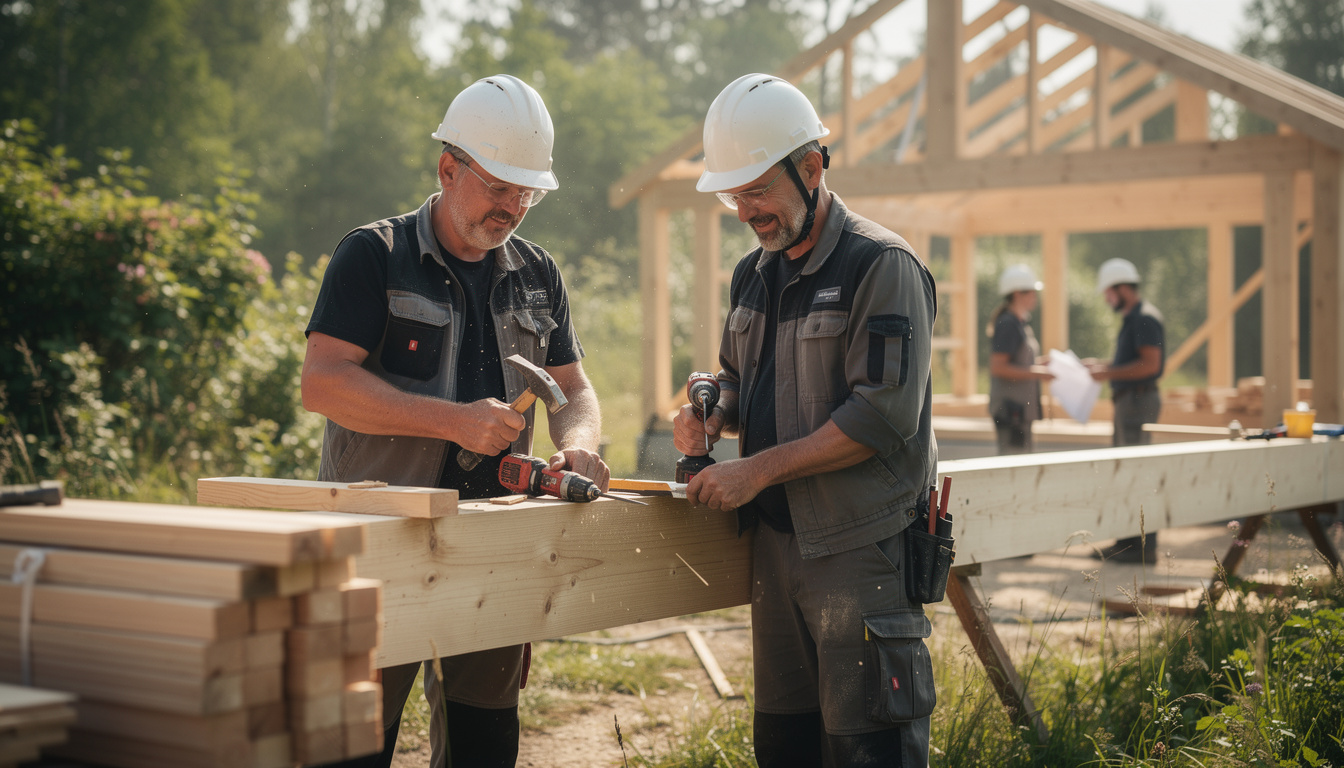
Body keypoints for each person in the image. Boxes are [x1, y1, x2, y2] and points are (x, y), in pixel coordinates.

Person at [300, 74, 608, 768]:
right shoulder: (374, 255)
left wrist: (580, 445)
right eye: (499, 187)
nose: (513, 208)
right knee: (352, 747)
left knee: (484, 744)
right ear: (447, 168)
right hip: (379, 546)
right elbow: (321, 385)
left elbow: (575, 392)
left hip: (493, 547)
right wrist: (451, 422)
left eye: (526, 193)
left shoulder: (538, 273)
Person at [672, 73, 938, 767]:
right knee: (785, 746)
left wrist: (753, 470)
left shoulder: (881, 266)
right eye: (734, 194)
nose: (742, 211)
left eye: (756, 191)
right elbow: (737, 382)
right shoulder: (752, 273)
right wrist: (710, 411)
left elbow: (881, 417)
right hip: (775, 551)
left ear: (812, 167)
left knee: (866, 750)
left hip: (859, 551)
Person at [1086, 257, 1165, 563]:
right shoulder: (1135, 318)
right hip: (1131, 402)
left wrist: (1107, 374)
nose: (1107, 299)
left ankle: (1141, 547)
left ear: (1122, 288)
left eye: (1109, 292)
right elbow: (1131, 363)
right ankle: (1128, 542)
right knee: (1126, 472)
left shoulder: (1144, 318)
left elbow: (1150, 364)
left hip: (1137, 402)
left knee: (1136, 473)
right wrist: (1102, 367)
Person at [987, 265, 1053, 455]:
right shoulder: (1008, 324)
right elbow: (998, 367)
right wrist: (1039, 372)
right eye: (1032, 292)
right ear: (1017, 293)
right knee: (1014, 469)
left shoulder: (1018, 323)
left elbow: (1018, 362)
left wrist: (1040, 365)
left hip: (1018, 413)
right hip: (1011, 413)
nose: (1035, 297)